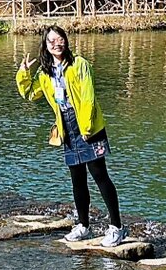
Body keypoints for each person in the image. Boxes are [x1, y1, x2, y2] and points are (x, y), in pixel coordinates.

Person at [15, 25, 126, 245]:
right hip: (66, 126)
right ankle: (83, 226)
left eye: (60, 39)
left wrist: (86, 129)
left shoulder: (79, 64)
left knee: (100, 176)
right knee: (77, 180)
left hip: (87, 125)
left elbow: (88, 97)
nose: (57, 44)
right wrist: (24, 73)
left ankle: (117, 227)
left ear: (66, 41)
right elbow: (30, 94)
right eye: (51, 41)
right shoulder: (46, 72)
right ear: (45, 47)